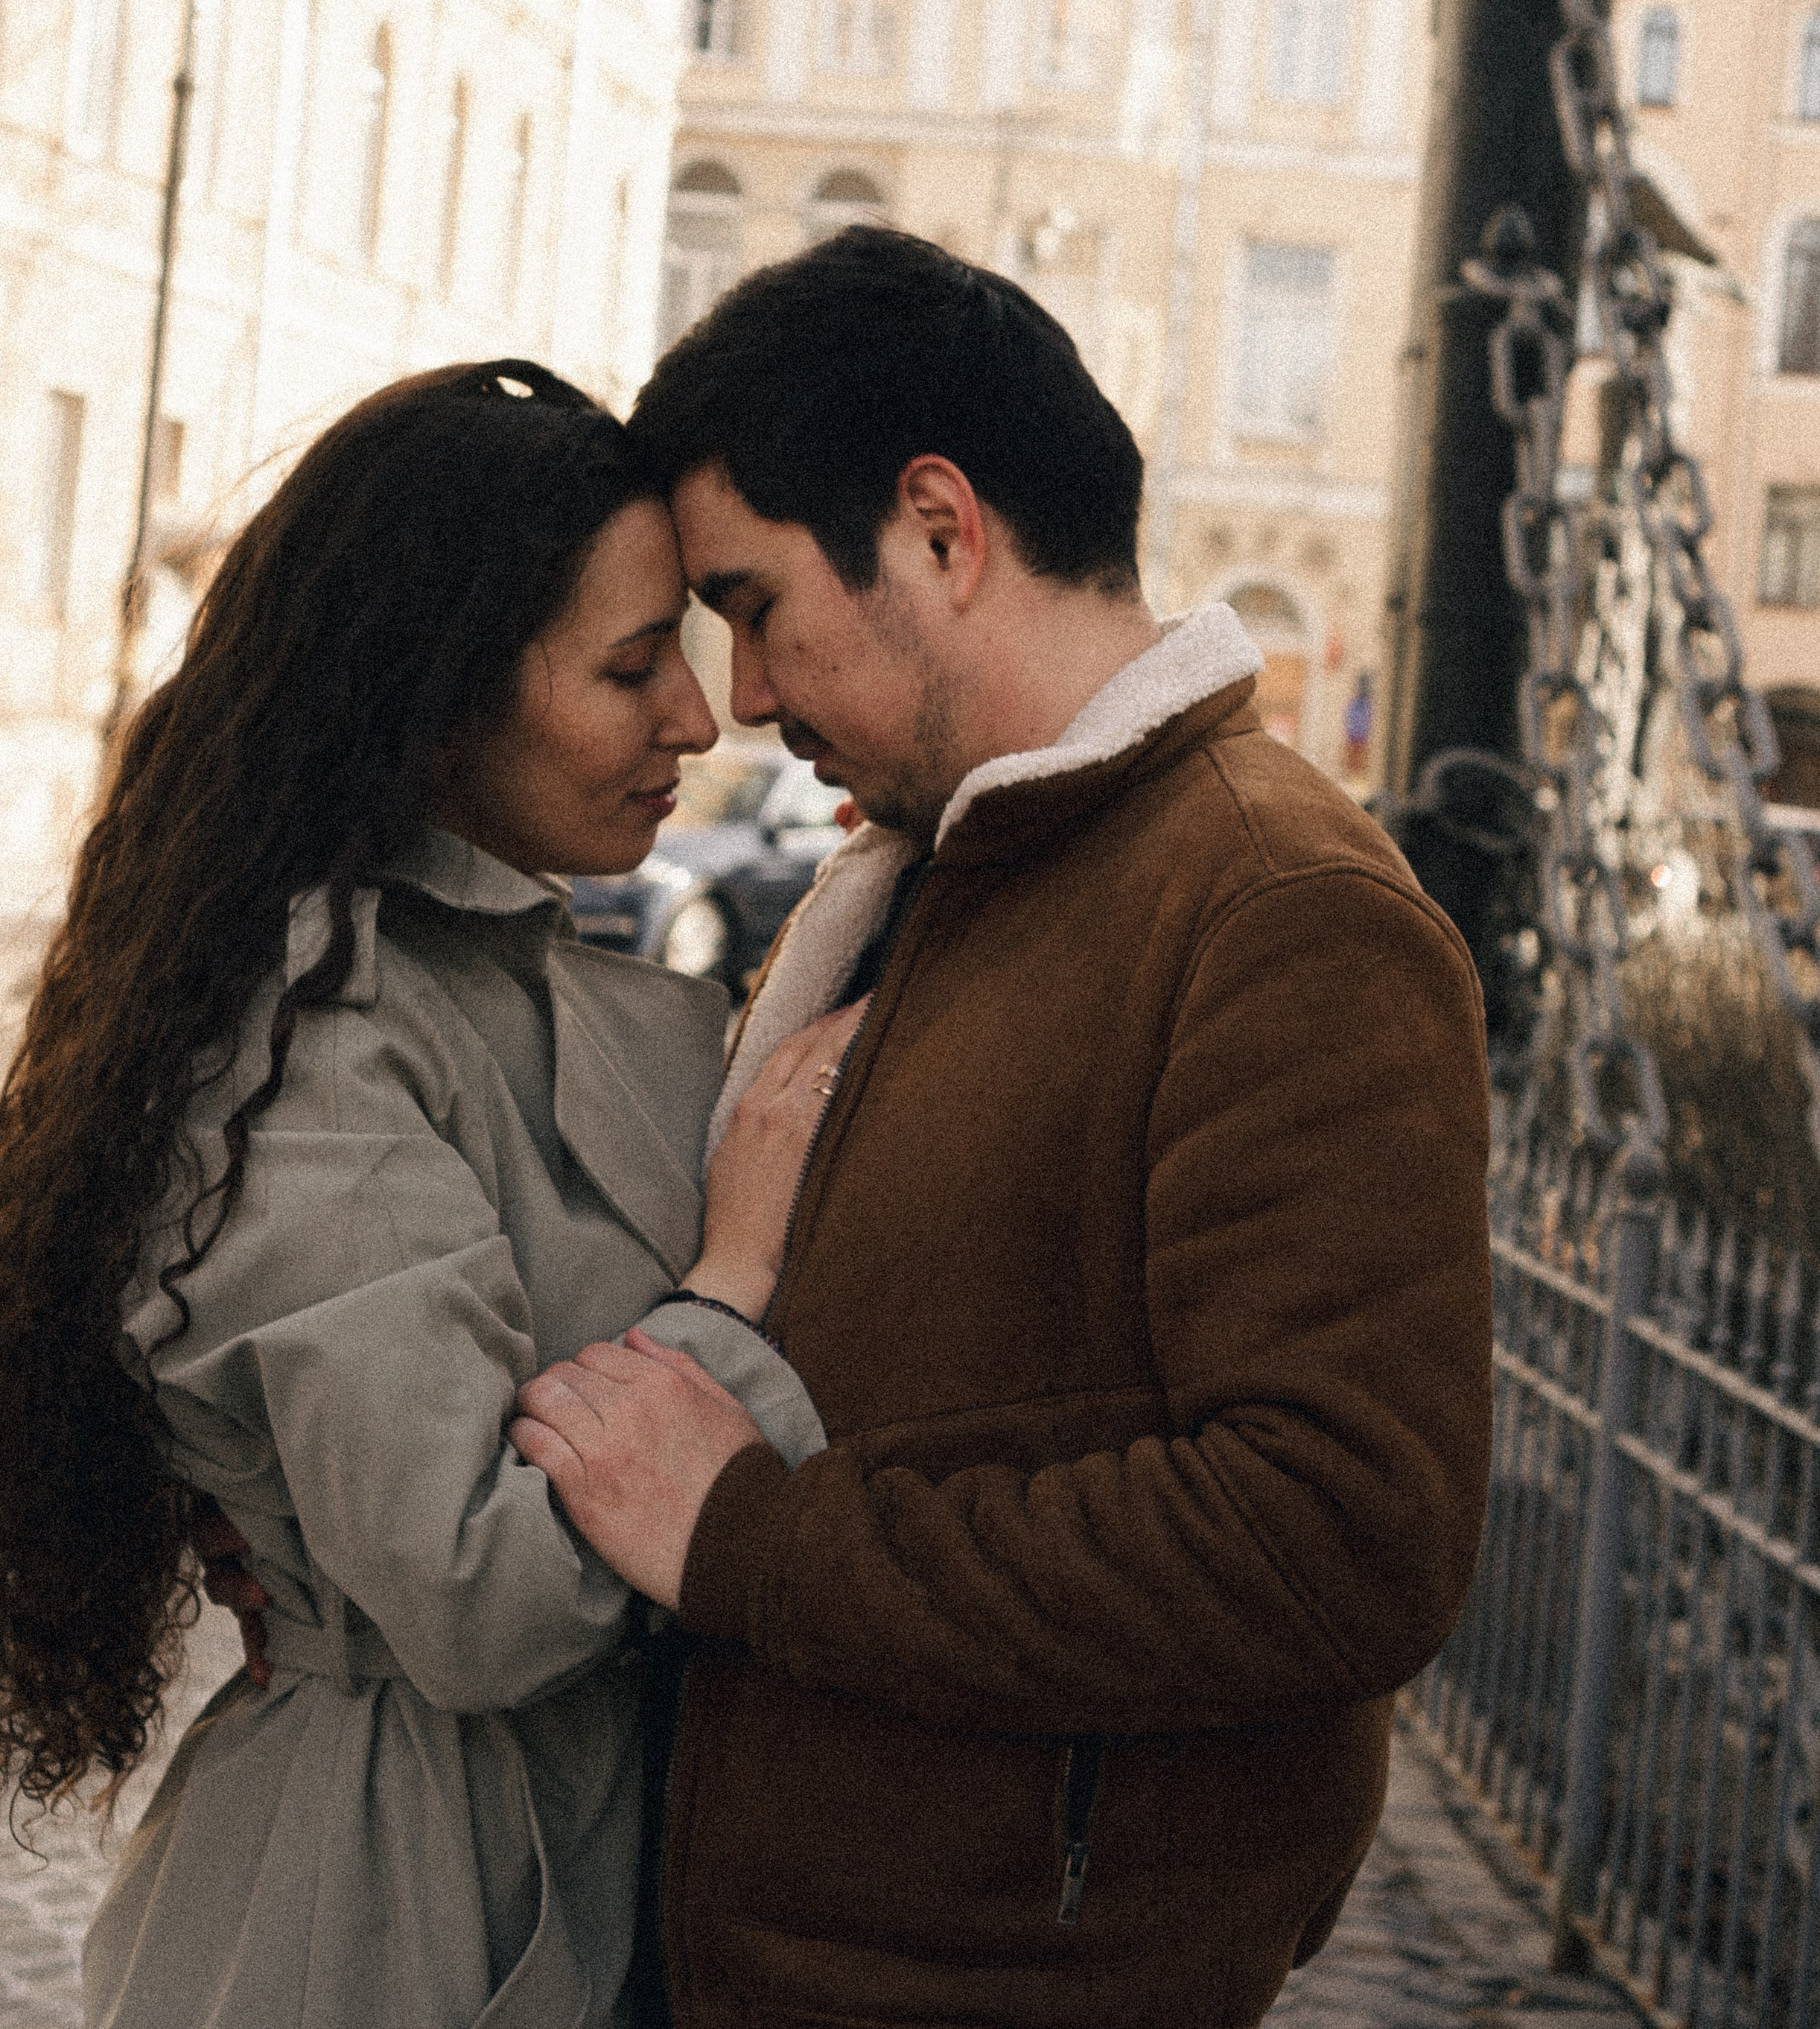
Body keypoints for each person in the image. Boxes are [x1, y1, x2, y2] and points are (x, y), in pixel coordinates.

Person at [510, 229, 1496, 2029]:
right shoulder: (938, 867)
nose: (739, 699)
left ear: (940, 532)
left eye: (752, 604)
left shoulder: (1273, 907)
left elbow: (1340, 1538)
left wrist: (753, 1540)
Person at [0, 361, 855, 2029]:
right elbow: (477, 1593)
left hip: (552, 1868)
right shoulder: (305, 1038)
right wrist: (734, 1287)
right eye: (628, 669)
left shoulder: (486, 981)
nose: (696, 717)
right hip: (385, 1911)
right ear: (441, 694)